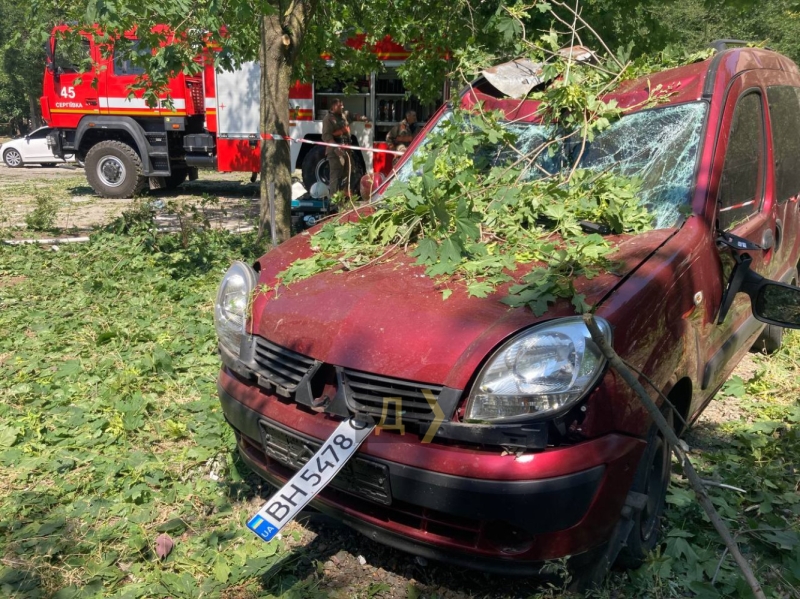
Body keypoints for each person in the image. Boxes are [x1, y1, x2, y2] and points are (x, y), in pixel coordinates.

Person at [321, 98, 352, 197]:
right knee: (336, 175)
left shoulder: (343, 116)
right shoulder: (328, 119)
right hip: (335, 151)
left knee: (347, 174)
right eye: (339, 106)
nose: (342, 107)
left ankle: (343, 199)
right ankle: (334, 202)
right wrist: (336, 148)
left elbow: (352, 116)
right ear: (333, 106)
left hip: (346, 148)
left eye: (342, 105)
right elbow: (326, 136)